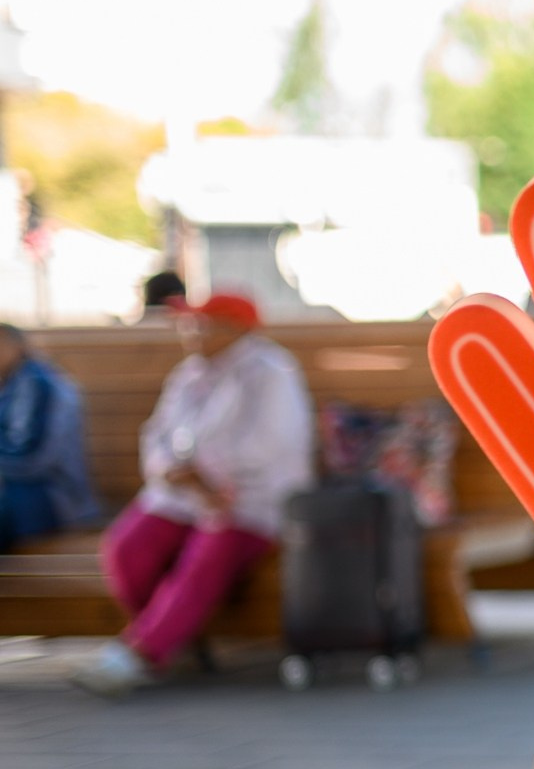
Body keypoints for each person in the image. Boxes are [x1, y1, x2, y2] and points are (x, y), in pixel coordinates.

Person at [73, 291, 313, 696]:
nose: (191, 333)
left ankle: (142, 654)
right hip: (182, 494)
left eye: (201, 324)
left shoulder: (272, 371)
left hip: (247, 500)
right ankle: (173, 637)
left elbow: (273, 444)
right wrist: (171, 469)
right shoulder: (189, 374)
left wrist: (205, 473)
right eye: (189, 324)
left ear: (234, 328)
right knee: (127, 548)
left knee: (206, 557)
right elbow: (157, 434)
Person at [0, 322, 99, 548]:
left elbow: (33, 457)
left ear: (16, 346)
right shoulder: (12, 383)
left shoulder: (38, 385)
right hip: (19, 489)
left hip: (53, 495)